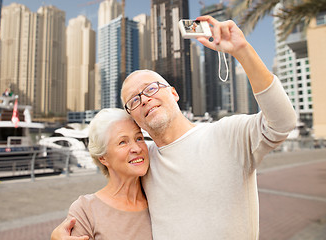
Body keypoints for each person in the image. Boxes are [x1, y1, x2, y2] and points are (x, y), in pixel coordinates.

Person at [52, 15, 297, 239]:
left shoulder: (227, 134)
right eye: (134, 100)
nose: (145, 98)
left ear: (174, 93)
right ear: (134, 118)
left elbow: (282, 122)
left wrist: (243, 51)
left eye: (150, 88)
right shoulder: (146, 164)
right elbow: (112, 197)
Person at [51, 108, 152, 240]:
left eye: (139, 138)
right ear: (103, 158)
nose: (137, 148)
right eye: (123, 142)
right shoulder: (86, 211)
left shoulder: (158, 199)